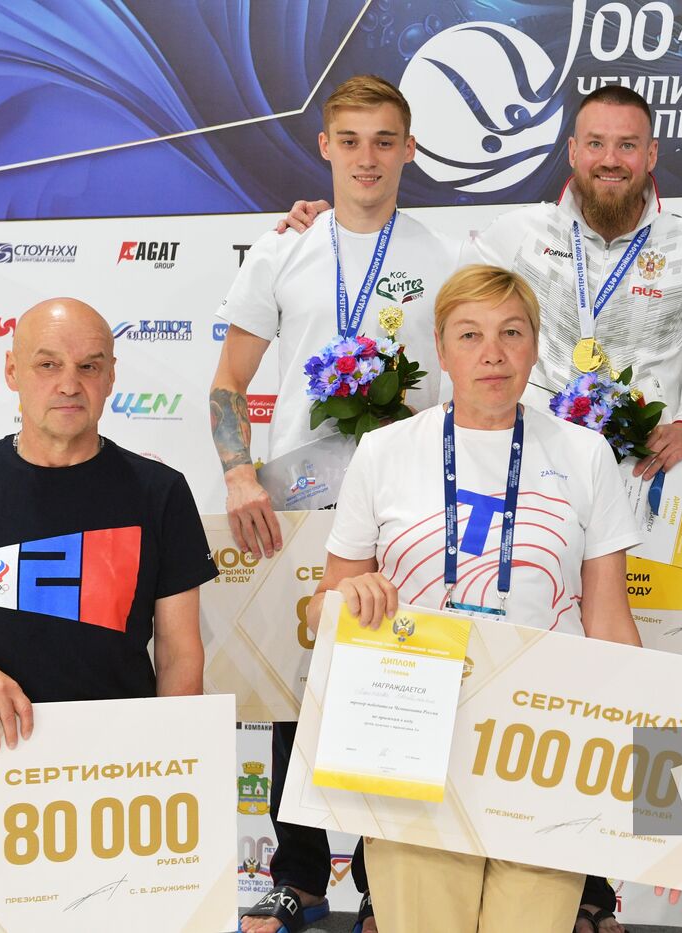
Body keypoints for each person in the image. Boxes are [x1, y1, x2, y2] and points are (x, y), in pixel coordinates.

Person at [302, 264, 643, 933]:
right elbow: (321, 611)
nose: (492, 352)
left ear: (535, 346)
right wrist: (350, 597)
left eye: (511, 332)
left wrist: (656, 770)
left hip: (543, 746)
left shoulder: (584, 452)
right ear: (442, 347)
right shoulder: (384, 450)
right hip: (409, 740)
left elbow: (609, 622)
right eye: (471, 333)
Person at [213, 75, 457, 933]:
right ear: (324, 146)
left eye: (384, 140)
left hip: (411, 500)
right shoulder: (283, 250)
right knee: (297, 680)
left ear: (410, 150)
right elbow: (229, 382)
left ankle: (395, 878)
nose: (366, 157)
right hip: (298, 499)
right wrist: (240, 472)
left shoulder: (442, 254)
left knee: (405, 677)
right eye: (350, 139)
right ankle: (302, 875)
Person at [282, 85, 682, 484]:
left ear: (651, 154)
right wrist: (335, 225)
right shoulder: (518, 234)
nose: (610, 160)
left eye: (627, 145)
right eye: (596, 143)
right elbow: (430, 270)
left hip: (642, 469)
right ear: (574, 151)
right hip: (530, 466)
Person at [0, 298, 215, 754]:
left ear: (111, 375)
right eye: (47, 365)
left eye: (88, 366)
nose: (69, 385)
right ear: (12, 370)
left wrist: (174, 758)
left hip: (118, 764)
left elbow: (179, 654)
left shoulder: (161, 492)